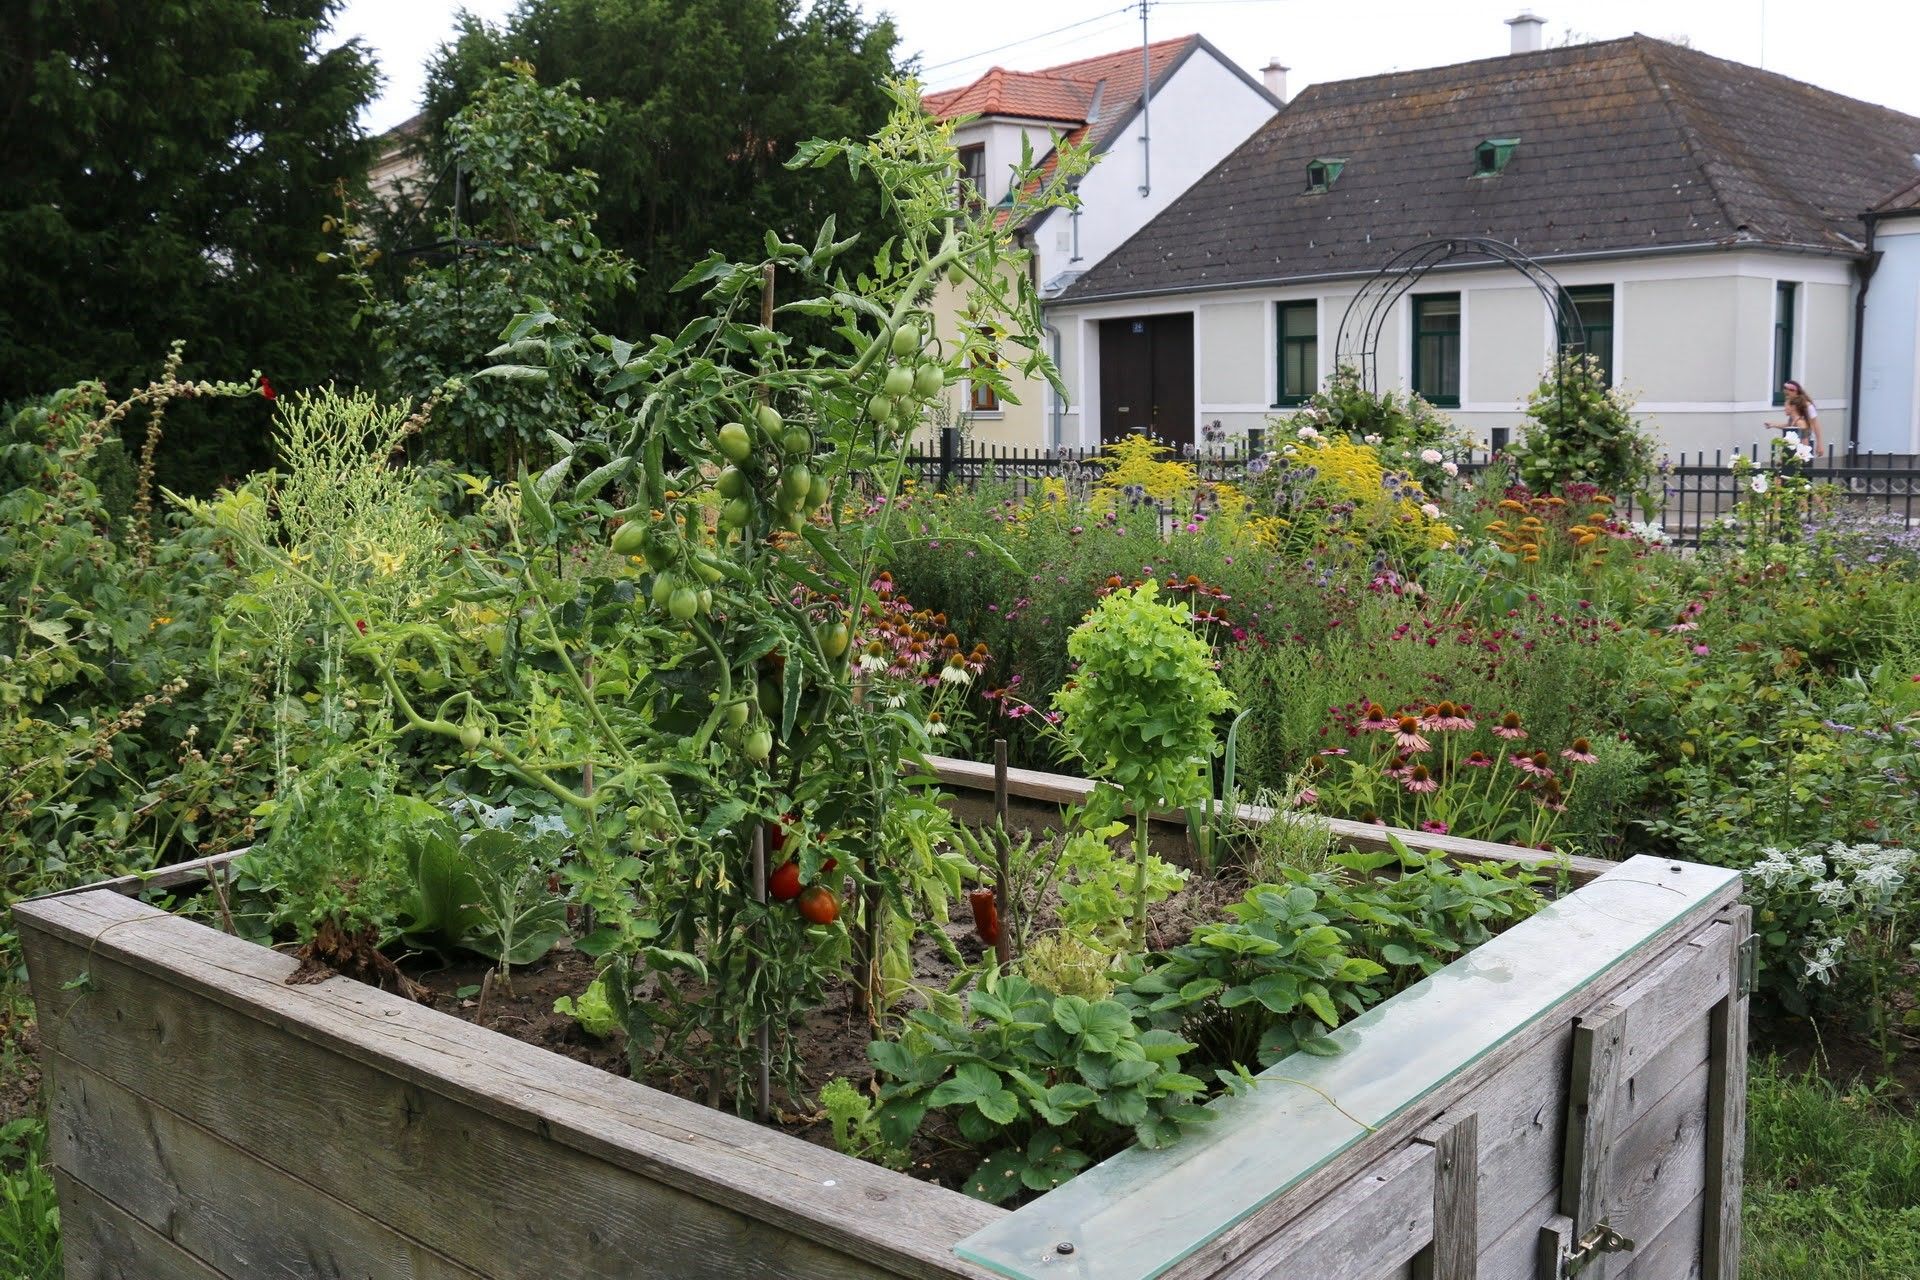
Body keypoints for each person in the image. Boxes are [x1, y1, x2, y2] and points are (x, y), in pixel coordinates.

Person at [1767, 379, 1822, 456]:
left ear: (1795, 392)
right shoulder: (1794, 409)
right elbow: (1789, 426)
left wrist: (1819, 444)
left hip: (1803, 446)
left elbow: (1815, 424)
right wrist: (1773, 425)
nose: (1787, 398)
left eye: (1788, 395)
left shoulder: (1808, 406)